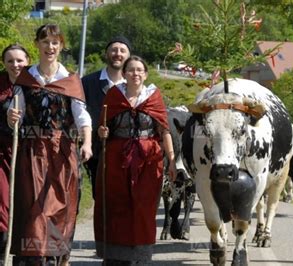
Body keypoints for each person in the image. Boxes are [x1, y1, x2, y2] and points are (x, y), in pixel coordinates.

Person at [7, 24, 92, 265]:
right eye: (45, 42)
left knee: (58, 207)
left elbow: (82, 115)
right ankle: (33, 258)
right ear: (37, 45)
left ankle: (55, 257)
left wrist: (87, 142)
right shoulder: (26, 79)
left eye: (55, 42)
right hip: (32, 152)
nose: (50, 47)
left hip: (62, 152)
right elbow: (17, 114)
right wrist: (11, 118)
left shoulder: (70, 80)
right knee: (35, 207)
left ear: (61, 46)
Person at [94, 55, 176, 265]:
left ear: (145, 74)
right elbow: (103, 128)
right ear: (124, 74)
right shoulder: (113, 96)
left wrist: (172, 160)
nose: (135, 74)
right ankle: (114, 254)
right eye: (131, 70)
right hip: (116, 159)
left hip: (148, 161)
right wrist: (102, 132)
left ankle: (140, 255)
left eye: (140, 70)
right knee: (117, 204)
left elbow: (164, 130)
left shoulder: (154, 97)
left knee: (143, 206)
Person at [82, 35, 131, 198]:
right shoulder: (88, 82)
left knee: (125, 199)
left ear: (128, 56)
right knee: (101, 198)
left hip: (127, 152)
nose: (118, 53)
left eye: (122, 50)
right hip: (98, 152)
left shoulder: (134, 83)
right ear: (106, 53)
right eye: (114, 49)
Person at [0, 44, 30, 262]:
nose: (15, 65)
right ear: (4, 63)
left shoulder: (35, 84)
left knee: (25, 205)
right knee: (2, 204)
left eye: (19, 60)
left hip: (28, 154)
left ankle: (24, 256)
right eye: (10, 60)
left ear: (27, 61)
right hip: (1, 153)